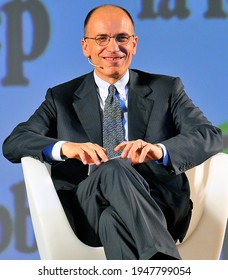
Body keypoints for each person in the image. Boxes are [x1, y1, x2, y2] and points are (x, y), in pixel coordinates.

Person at [2, 4, 223, 260]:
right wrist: (66, 147)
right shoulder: (60, 98)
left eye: (122, 38)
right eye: (101, 39)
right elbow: (14, 142)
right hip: (87, 208)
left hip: (158, 208)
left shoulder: (167, 88)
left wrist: (159, 150)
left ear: (135, 43)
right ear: (86, 46)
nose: (113, 47)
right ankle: (165, 263)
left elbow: (210, 135)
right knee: (114, 167)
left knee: (113, 220)